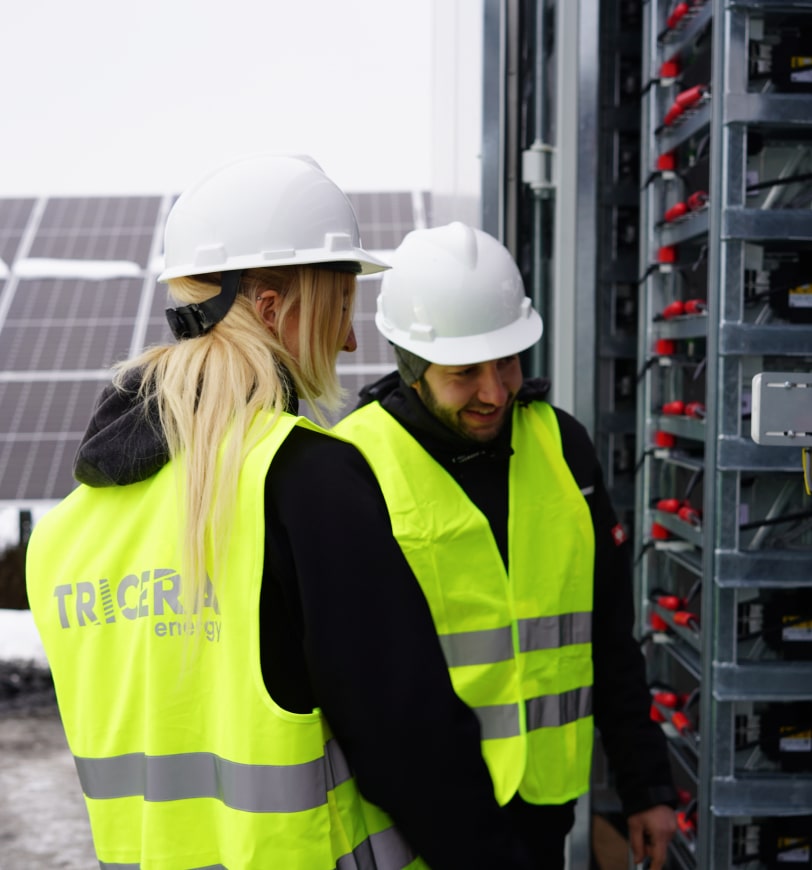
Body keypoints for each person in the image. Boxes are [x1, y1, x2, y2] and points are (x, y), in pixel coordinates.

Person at [25, 156, 537, 869]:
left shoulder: (65, 534)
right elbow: (411, 745)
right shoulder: (305, 482)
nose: (351, 340)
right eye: (338, 307)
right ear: (271, 308)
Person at [334, 221, 679, 870]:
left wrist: (646, 787)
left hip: (540, 815)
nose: (494, 392)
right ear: (411, 366)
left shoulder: (562, 445)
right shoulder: (354, 468)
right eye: (465, 373)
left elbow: (608, 635)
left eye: (508, 362)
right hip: (413, 827)